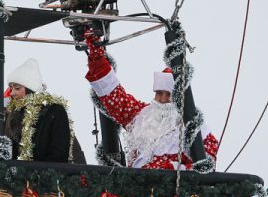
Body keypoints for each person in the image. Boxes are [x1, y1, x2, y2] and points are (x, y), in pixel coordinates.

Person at [83, 31, 219, 170]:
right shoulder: (142, 115)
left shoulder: (196, 129)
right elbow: (115, 98)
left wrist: (173, 169)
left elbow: (205, 166)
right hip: (134, 185)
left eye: (169, 95)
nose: (163, 99)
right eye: (159, 93)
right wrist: (97, 56)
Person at [4, 58, 84, 163]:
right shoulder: (12, 117)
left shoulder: (54, 111)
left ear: (30, 89)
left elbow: (59, 154)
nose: (12, 93)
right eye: (11, 88)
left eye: (17, 88)